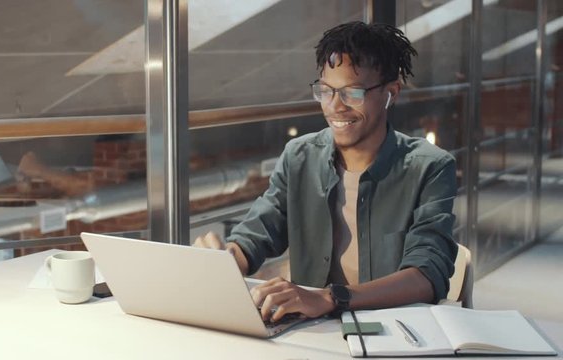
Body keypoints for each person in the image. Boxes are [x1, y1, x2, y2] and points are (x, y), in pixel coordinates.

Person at [195, 21, 458, 323]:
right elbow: (261, 230)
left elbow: (428, 275)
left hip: (394, 332)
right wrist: (226, 258)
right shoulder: (299, 156)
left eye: (352, 92)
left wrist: (330, 298)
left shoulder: (430, 167)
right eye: (326, 91)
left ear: (391, 93)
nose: (335, 107)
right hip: (314, 331)